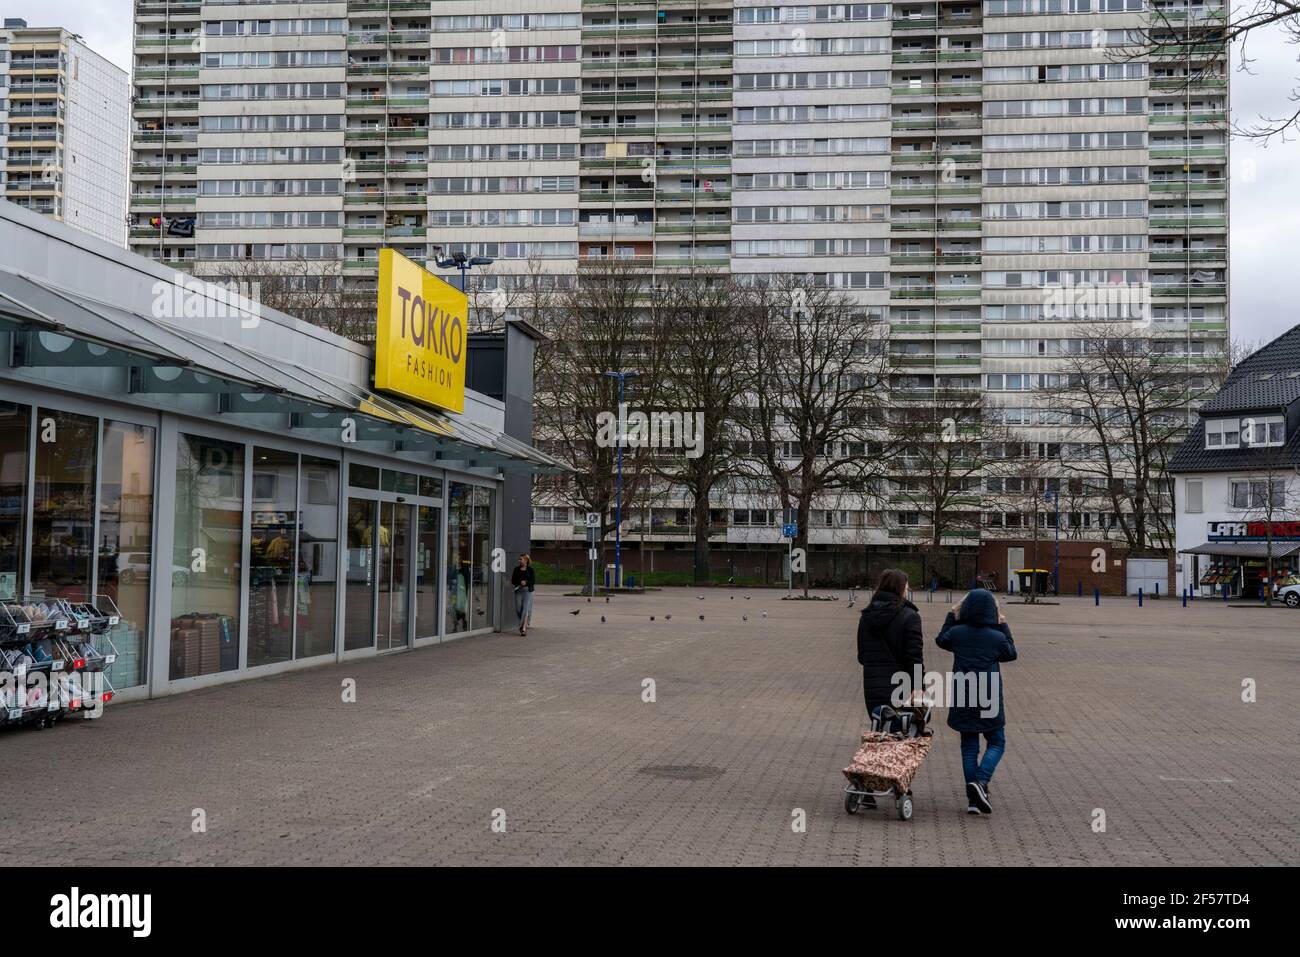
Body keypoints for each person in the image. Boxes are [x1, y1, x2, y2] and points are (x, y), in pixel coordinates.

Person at [936, 588, 1017, 816]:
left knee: (969, 746)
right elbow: (1011, 653)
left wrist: (952, 615)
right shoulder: (997, 637)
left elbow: (941, 639)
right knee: (997, 741)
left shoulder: (958, 633)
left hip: (963, 693)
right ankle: (980, 783)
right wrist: (1001, 623)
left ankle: (973, 800)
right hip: (988, 694)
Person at [857, 568, 925, 717]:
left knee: (881, 730)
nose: (908, 589)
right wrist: (919, 686)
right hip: (902, 686)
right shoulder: (910, 616)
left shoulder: (866, 616)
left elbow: (862, 656)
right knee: (904, 733)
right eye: (906, 585)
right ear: (900, 588)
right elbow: (915, 657)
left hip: (873, 686)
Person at [511, 554, 536, 636]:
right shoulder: (516, 569)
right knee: (518, 609)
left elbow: (533, 581)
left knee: (525, 609)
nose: (519, 561)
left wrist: (526, 582)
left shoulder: (530, 570)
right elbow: (513, 580)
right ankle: (522, 624)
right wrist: (520, 582)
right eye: (519, 559)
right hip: (518, 590)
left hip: (528, 591)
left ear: (526, 561)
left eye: (520, 559)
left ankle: (523, 628)